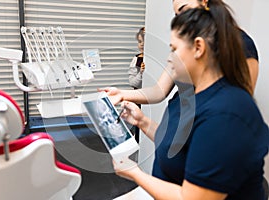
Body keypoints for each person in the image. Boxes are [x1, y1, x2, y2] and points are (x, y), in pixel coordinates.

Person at [112, 7, 269, 200]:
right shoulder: (189, 99)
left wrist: (134, 172)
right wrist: (142, 121)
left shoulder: (226, 114)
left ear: (198, 48)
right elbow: (176, 147)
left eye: (174, 49)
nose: (169, 58)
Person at [98, 0, 259, 106]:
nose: (182, 18)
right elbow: (159, 90)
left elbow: (240, 106)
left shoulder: (241, 44)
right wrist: (122, 94)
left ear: (204, 2)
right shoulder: (185, 47)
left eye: (185, 9)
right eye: (177, 14)